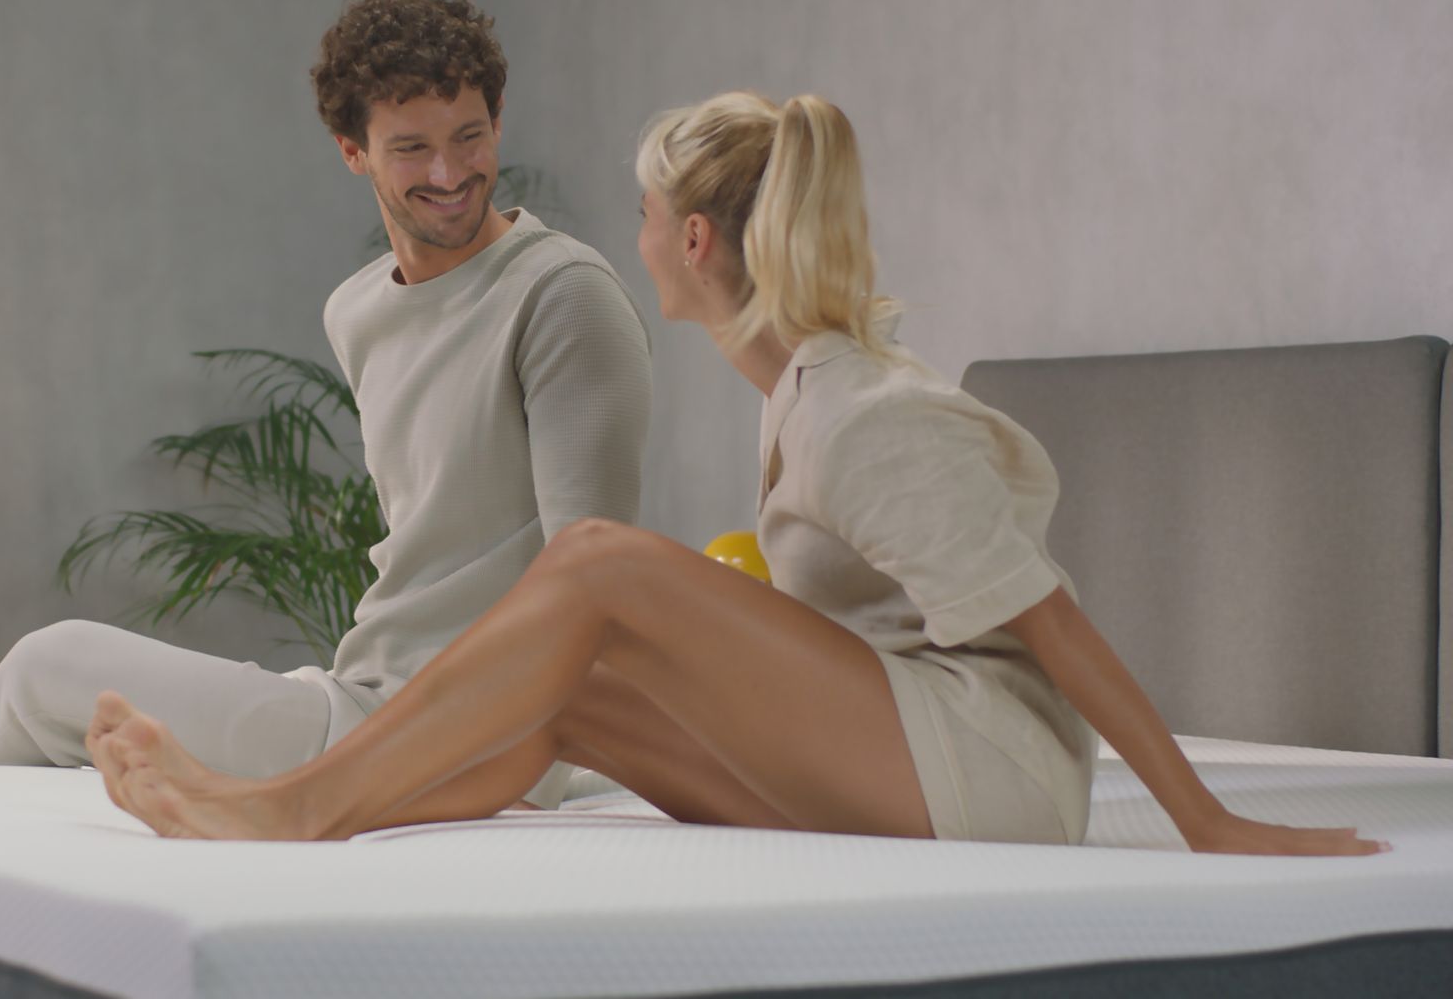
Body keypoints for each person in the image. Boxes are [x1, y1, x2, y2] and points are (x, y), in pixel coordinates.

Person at [83, 91, 1388, 857]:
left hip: (990, 772)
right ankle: (340, 823)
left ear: (695, 239)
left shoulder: (866, 411)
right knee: (573, 700)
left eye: (647, 219)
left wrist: (1209, 824)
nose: (633, 240)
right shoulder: (801, 395)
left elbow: (1050, 623)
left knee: (593, 559)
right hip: (919, 747)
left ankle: (286, 810)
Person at [0, 0, 653, 814]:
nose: (450, 173)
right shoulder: (358, 309)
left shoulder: (562, 295)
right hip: (367, 693)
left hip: (451, 737)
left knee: (44, 669)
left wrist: (455, 770)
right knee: (52, 727)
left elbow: (593, 592)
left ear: (498, 121)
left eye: (470, 137)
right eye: (411, 148)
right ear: (352, 151)